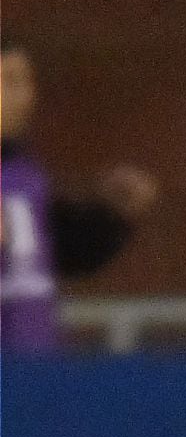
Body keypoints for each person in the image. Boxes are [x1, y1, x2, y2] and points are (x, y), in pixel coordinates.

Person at [1, 37, 158, 352]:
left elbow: (58, 251)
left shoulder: (24, 172)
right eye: (10, 82)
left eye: (27, 82)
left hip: (35, 367)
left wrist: (113, 217)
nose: (25, 96)